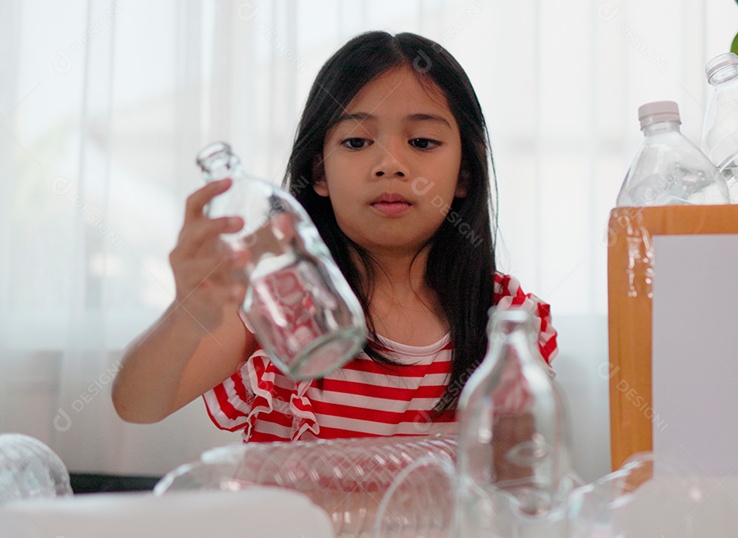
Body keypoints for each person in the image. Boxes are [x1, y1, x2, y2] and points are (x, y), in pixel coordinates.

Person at [112, 31, 557, 442]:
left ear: (464, 174)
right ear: (319, 172)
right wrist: (190, 309)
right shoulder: (277, 302)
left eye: (422, 142)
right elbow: (137, 405)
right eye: (357, 142)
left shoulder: (510, 320)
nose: (389, 165)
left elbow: (516, 478)